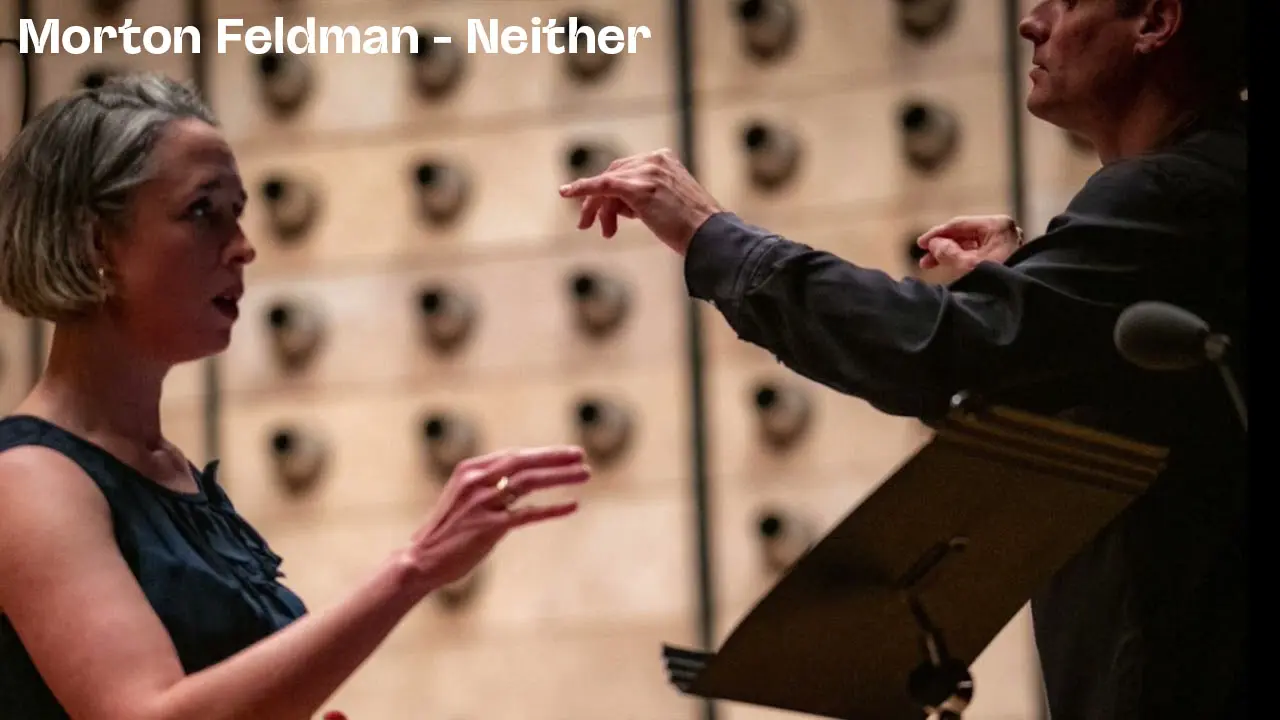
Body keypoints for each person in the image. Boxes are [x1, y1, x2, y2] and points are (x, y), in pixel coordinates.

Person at [559, 0, 1247, 717]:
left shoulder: (1175, 194)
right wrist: (1036, 291)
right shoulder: (1208, 189)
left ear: (1156, 23)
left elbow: (941, 352)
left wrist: (714, 236)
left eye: (1067, 1)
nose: (1031, 21)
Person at [0, 73, 592, 719]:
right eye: (203, 212)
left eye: (239, 212)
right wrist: (414, 568)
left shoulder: (172, 474)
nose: (244, 247)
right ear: (97, 247)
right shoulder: (27, 482)